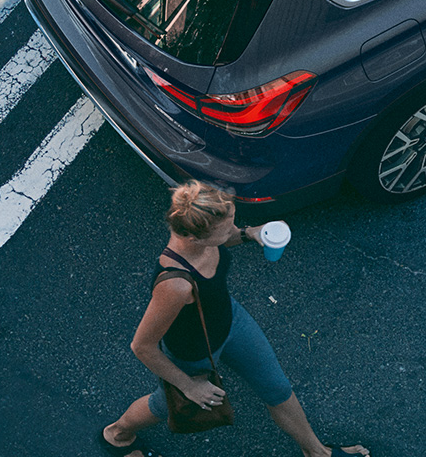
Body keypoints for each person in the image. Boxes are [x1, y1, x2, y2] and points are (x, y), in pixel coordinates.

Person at [99, 182, 368, 457]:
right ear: (194, 238)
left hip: (232, 320)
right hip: (195, 352)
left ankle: (317, 453)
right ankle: (117, 434)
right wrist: (189, 386)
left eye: (233, 222)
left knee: (277, 388)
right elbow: (142, 346)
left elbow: (222, 239)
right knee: (165, 404)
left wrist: (248, 234)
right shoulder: (175, 285)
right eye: (226, 228)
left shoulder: (201, 236)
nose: (232, 229)